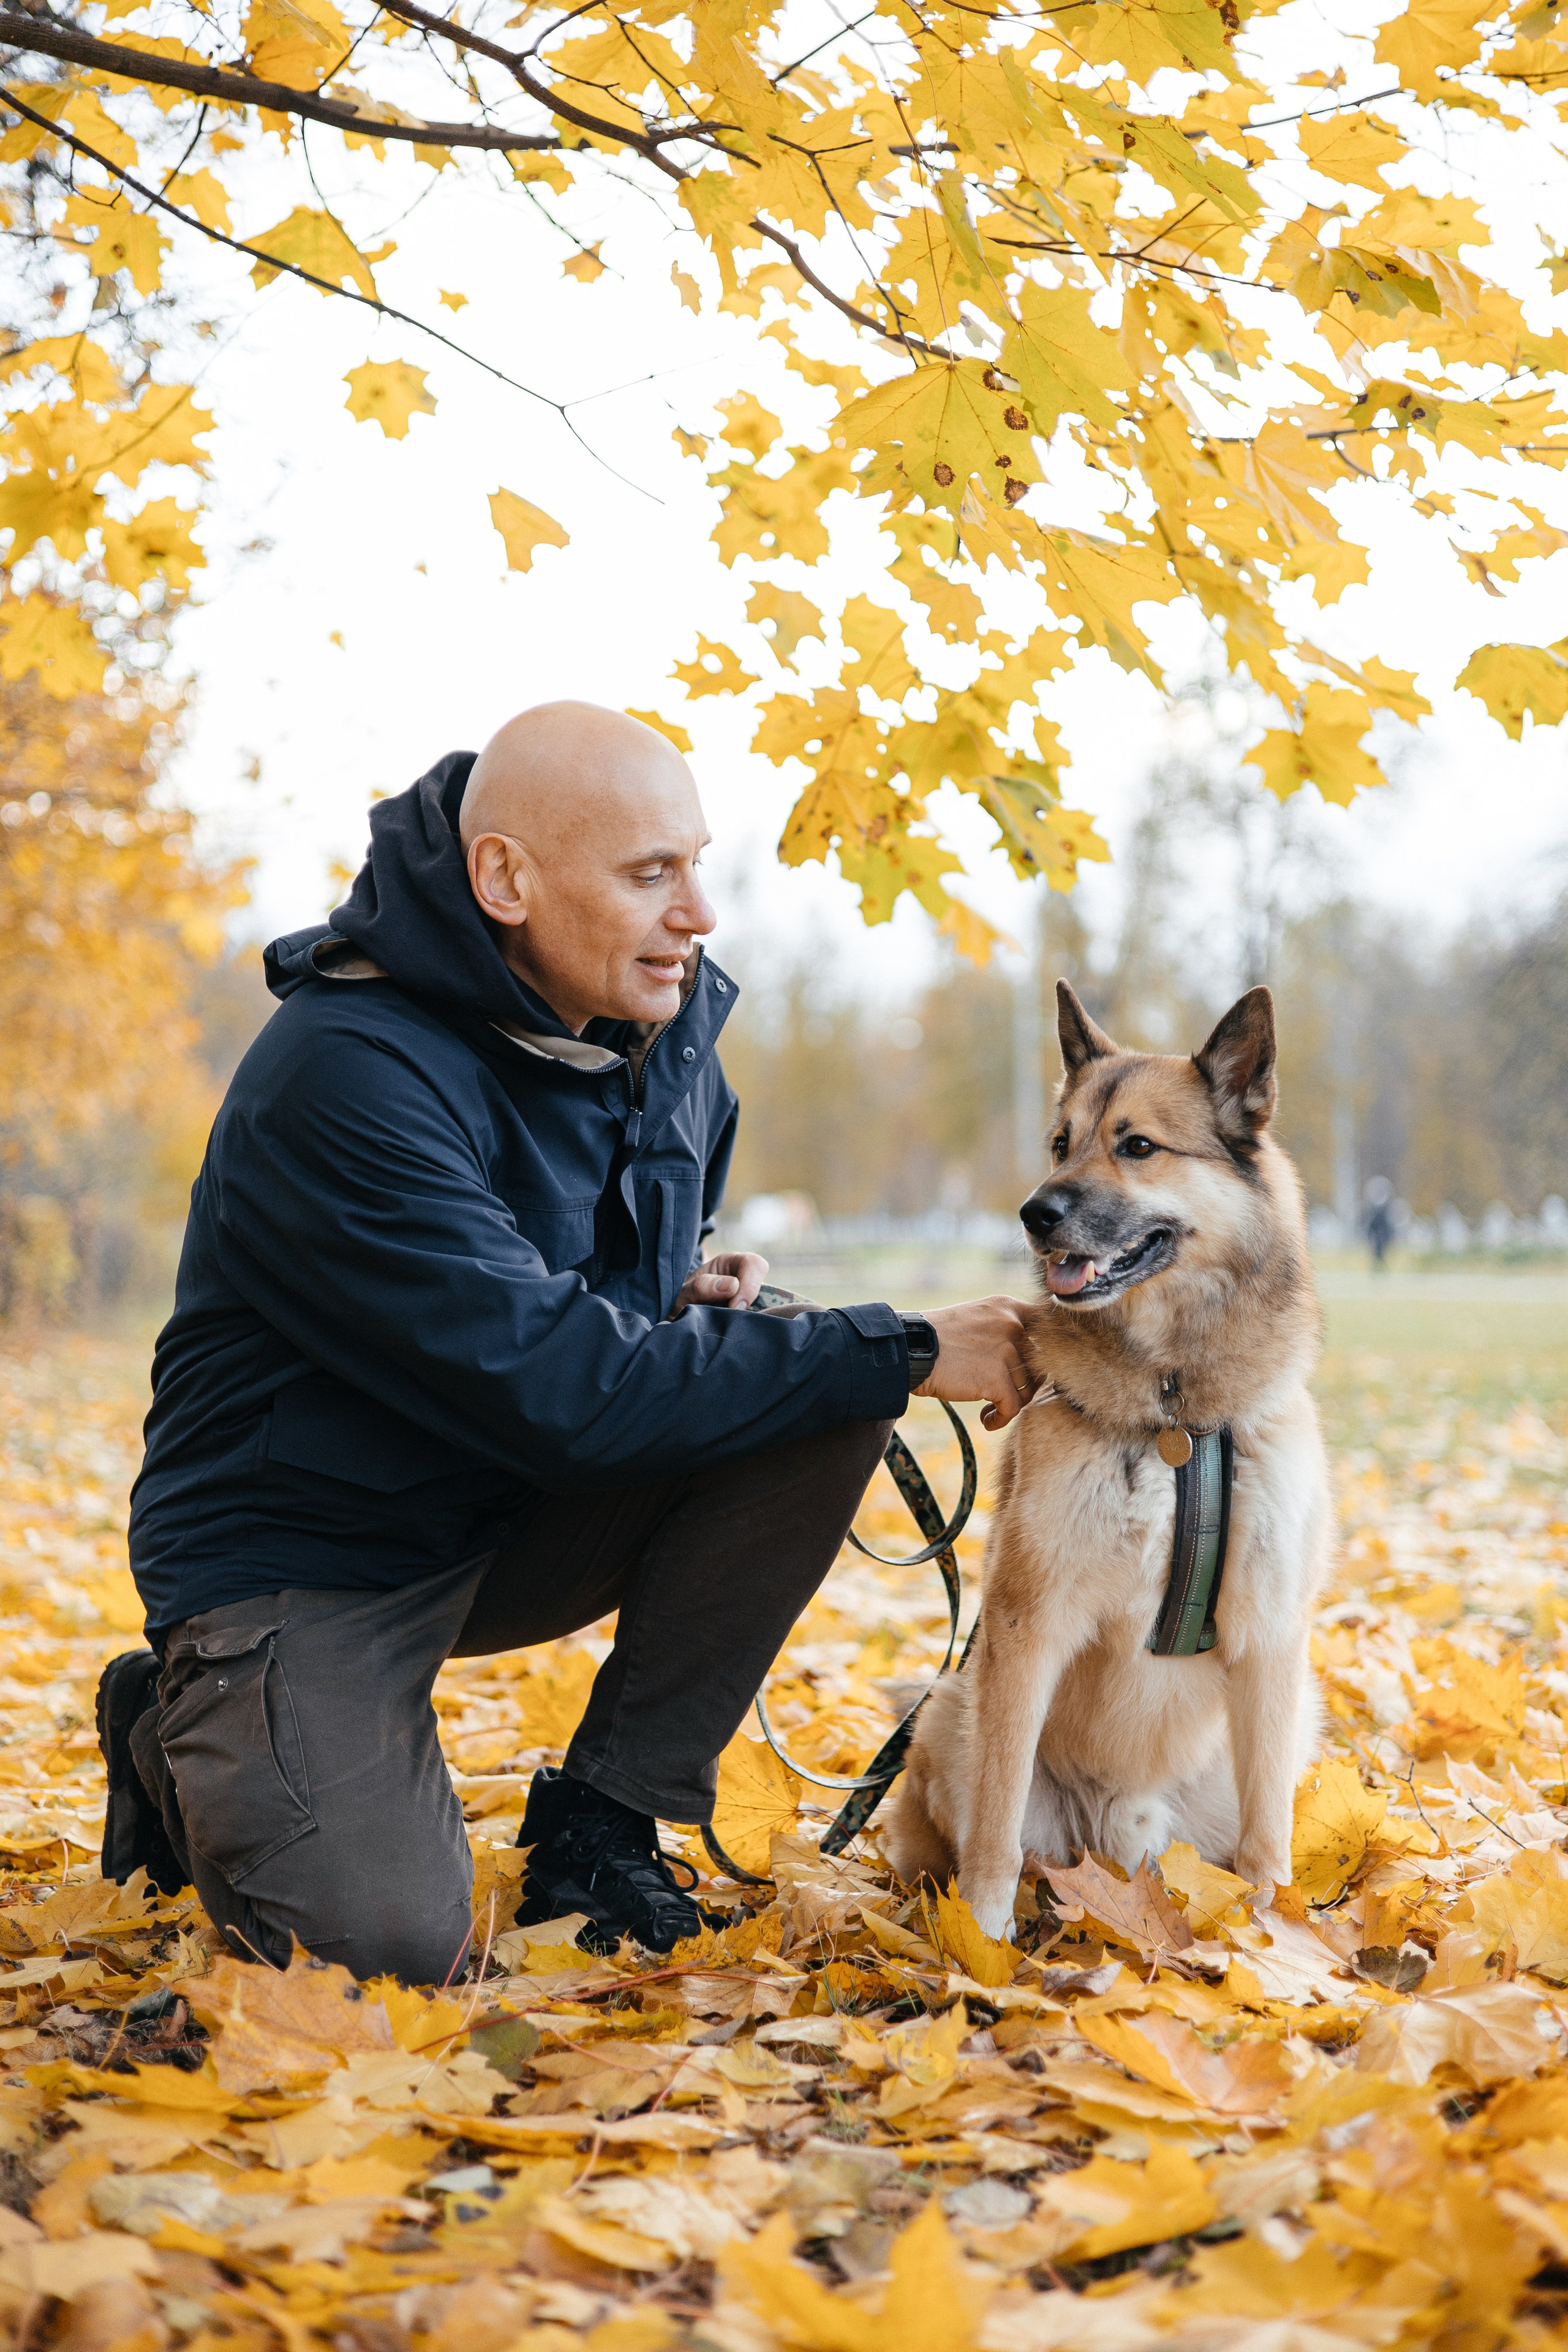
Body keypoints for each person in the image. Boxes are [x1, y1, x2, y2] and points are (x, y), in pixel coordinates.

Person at [100, 704, 1031, 1982]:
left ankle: (602, 1826)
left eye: (696, 865)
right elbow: (556, 1386)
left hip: (503, 1507)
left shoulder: (662, 1032)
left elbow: (584, 1291)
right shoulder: (344, 1071)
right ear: (505, 880)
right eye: (649, 875)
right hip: (307, 1556)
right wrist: (914, 1346)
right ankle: (182, 1725)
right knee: (385, 1956)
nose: (698, 913)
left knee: (813, 1386)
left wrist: (683, 1292)